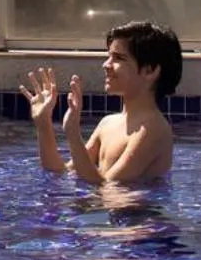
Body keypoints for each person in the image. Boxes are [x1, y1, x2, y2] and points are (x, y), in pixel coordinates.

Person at [20, 20, 181, 186]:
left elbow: (106, 188)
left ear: (150, 71)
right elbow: (63, 173)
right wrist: (43, 124)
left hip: (136, 212)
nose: (106, 64)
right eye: (109, 56)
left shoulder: (153, 129)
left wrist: (73, 134)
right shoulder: (107, 123)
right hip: (105, 209)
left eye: (118, 58)